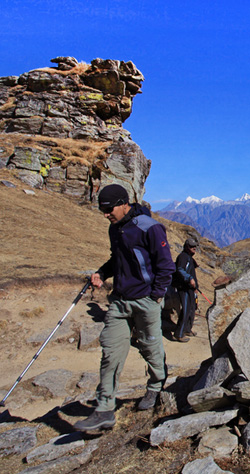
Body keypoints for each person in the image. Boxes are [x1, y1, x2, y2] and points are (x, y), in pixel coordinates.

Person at [74, 184, 175, 432]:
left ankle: (155, 386)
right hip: (119, 301)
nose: (106, 214)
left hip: (145, 300)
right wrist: (102, 273)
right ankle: (104, 409)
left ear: (123, 203)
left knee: (149, 345)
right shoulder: (115, 228)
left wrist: (156, 297)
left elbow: (166, 265)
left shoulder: (149, 228)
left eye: (109, 209)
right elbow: (116, 259)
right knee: (111, 351)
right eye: (102, 210)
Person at [173, 237, 199, 342]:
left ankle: (188, 329)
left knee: (192, 309)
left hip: (191, 289)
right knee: (186, 310)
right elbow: (180, 270)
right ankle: (179, 334)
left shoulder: (189, 258)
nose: (194, 248)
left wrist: (196, 287)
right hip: (183, 288)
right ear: (187, 247)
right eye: (192, 246)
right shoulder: (183, 257)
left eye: (195, 246)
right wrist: (189, 279)